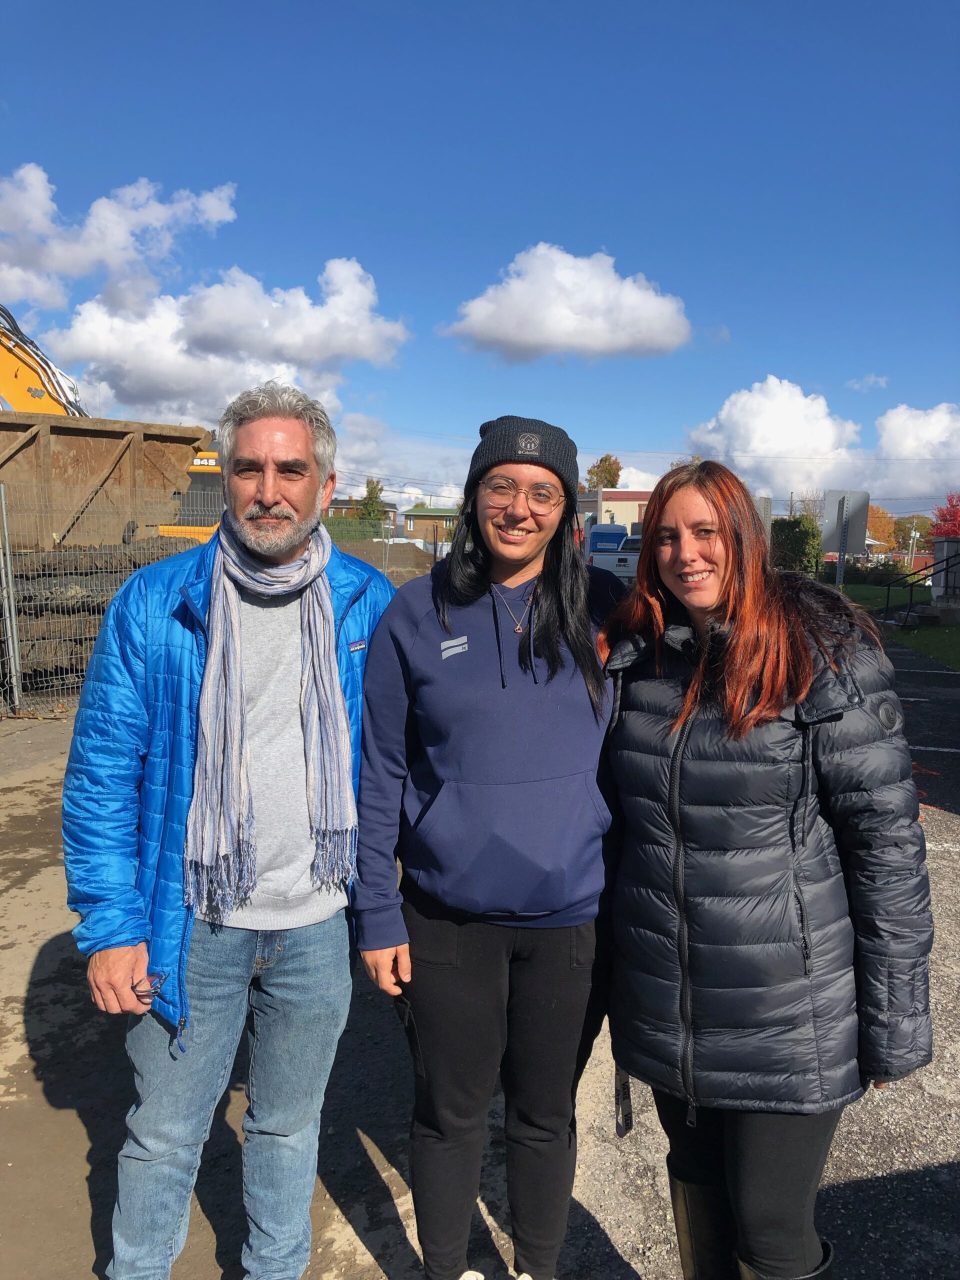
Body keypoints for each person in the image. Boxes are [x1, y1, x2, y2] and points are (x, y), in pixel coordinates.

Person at [61, 382, 394, 1279]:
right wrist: (112, 928)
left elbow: (402, 766)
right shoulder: (155, 602)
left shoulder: (367, 603)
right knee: (164, 1134)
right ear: (227, 480)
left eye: (292, 469)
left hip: (316, 925)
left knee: (287, 1128)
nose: (269, 489)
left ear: (327, 486)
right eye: (249, 467)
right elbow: (101, 780)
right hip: (189, 920)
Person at [599, 461, 933, 1280]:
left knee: (772, 1228)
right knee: (696, 1187)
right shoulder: (640, 661)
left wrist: (893, 1025)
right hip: (672, 1002)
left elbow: (886, 846)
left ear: (743, 539)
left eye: (705, 532)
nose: (686, 554)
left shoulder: (823, 652)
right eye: (668, 537)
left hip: (789, 1014)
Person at [352, 416, 624, 1280]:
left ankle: (539, 1267)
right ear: (473, 499)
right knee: (449, 1113)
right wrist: (375, 909)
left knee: (545, 1116)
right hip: (446, 920)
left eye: (542, 492)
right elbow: (381, 770)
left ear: (566, 508)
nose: (519, 507)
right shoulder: (416, 613)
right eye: (500, 487)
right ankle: (444, 1269)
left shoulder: (609, 610)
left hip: (570, 919)